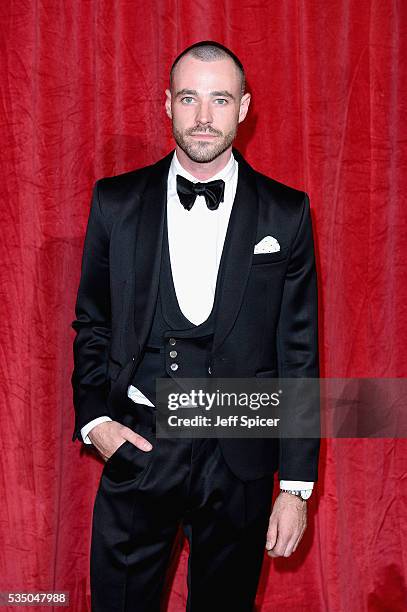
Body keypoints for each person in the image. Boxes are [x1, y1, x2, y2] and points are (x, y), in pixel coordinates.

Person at [71, 40, 320, 612]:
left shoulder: (287, 212)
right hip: (138, 448)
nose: (204, 118)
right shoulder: (116, 202)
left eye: (220, 99)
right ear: (167, 104)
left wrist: (296, 487)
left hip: (240, 459)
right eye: (189, 99)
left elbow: (298, 353)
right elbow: (92, 323)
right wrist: (97, 424)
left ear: (244, 106)